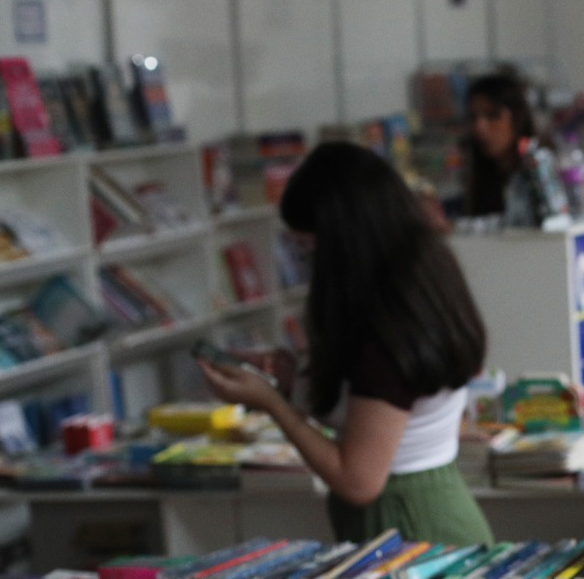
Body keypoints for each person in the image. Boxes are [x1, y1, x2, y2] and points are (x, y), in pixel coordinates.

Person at [199, 141, 493, 546]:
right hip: (429, 513)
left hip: (408, 528)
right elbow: (375, 416)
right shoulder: (420, 277)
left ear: (344, 242)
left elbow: (358, 481)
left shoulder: (388, 328)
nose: (308, 267)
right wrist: (293, 380)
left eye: (309, 250)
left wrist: (274, 405)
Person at [463, 73, 544, 222]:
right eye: (473, 117)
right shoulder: (480, 181)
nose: (479, 127)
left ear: (517, 118)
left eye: (493, 115)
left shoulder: (541, 172)